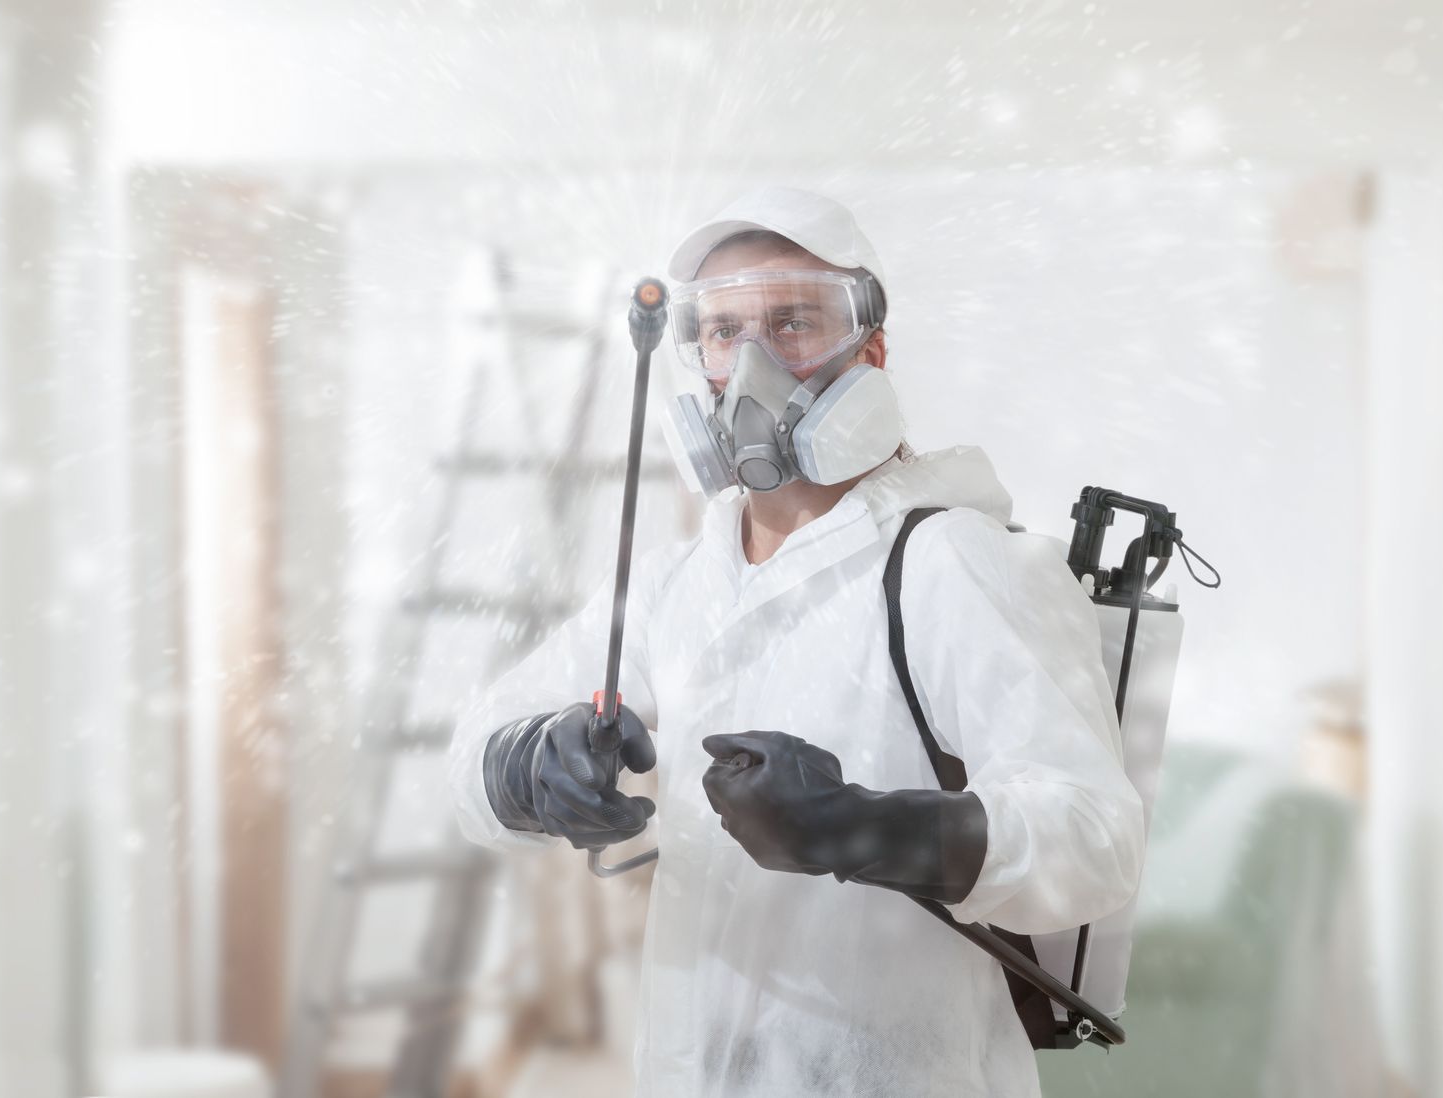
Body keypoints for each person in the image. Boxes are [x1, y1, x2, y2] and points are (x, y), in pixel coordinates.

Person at [446, 186, 1144, 1098]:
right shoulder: (679, 586)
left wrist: (871, 825)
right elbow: (468, 760)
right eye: (725, 331)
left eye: (795, 323)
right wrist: (530, 766)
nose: (752, 364)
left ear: (872, 351)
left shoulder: (951, 563)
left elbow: (1096, 843)